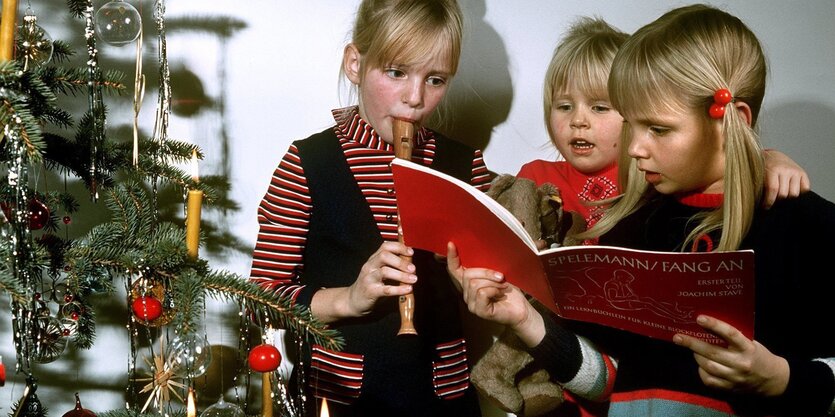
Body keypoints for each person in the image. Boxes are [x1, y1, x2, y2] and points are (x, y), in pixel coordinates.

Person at [451, 4, 835, 417]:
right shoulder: (628, 228)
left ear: (730, 122)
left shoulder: (810, 228)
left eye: (659, 129)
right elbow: (608, 381)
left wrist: (784, 379)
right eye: (632, 125)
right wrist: (524, 317)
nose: (635, 148)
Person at [248, 1, 489, 416]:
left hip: (441, 396)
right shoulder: (308, 163)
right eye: (396, 72)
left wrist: (476, 279)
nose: (415, 99)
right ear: (355, 64)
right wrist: (349, 299)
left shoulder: (466, 166)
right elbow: (260, 300)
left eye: (435, 79)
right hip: (339, 396)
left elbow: (490, 293)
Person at [519, 16, 809, 239]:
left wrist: (766, 160)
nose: (578, 121)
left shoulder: (654, 181)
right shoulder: (635, 217)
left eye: (600, 107)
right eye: (564, 106)